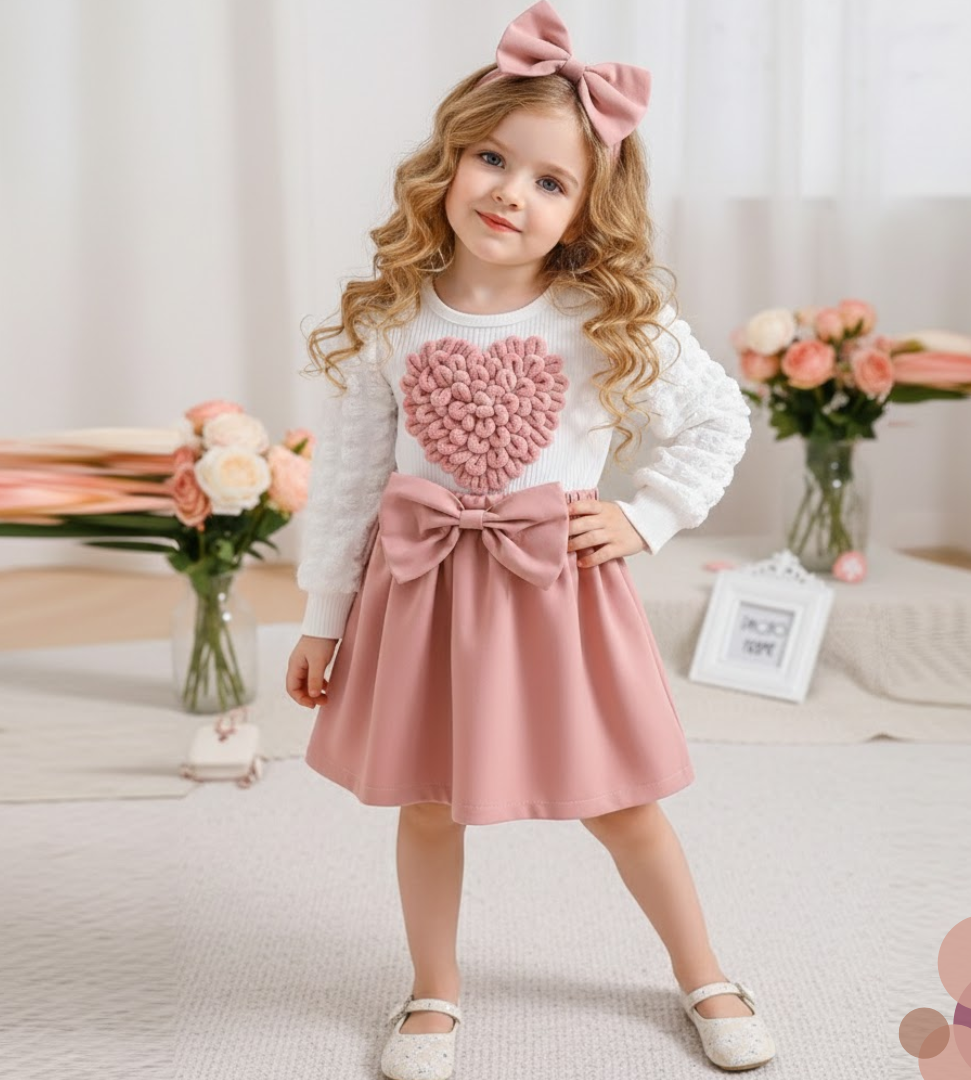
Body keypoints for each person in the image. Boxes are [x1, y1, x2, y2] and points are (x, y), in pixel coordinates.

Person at [285, 2, 775, 1076]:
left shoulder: (601, 316)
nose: (512, 192)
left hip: (556, 595)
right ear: (451, 159)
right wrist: (324, 618)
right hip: (420, 598)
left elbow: (717, 417)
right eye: (494, 160)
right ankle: (433, 990)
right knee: (428, 804)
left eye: (552, 182)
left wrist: (646, 515)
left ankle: (705, 973)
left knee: (622, 805)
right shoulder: (393, 318)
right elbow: (353, 481)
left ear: (586, 210)